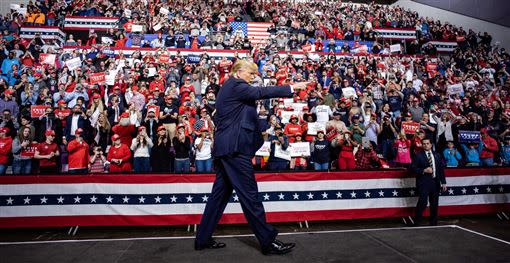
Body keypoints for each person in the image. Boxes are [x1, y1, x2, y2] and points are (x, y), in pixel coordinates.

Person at [195, 60, 309, 255]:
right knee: (250, 196)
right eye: (250, 73)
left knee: (218, 197)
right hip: (234, 150)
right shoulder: (235, 84)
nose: (253, 77)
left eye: (255, 74)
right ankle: (267, 241)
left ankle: (203, 239)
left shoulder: (234, 89)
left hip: (228, 149)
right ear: (238, 72)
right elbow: (260, 92)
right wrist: (291, 87)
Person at [410, 138, 447, 226]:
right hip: (423, 183)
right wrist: (424, 170)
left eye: (427, 143)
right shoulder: (418, 155)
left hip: (435, 182)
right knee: (423, 202)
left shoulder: (437, 155)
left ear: (431, 145)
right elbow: (412, 168)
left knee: (434, 204)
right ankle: (417, 222)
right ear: (422, 145)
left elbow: (440, 169)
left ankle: (433, 222)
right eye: (424, 144)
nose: (426, 145)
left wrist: (443, 182)